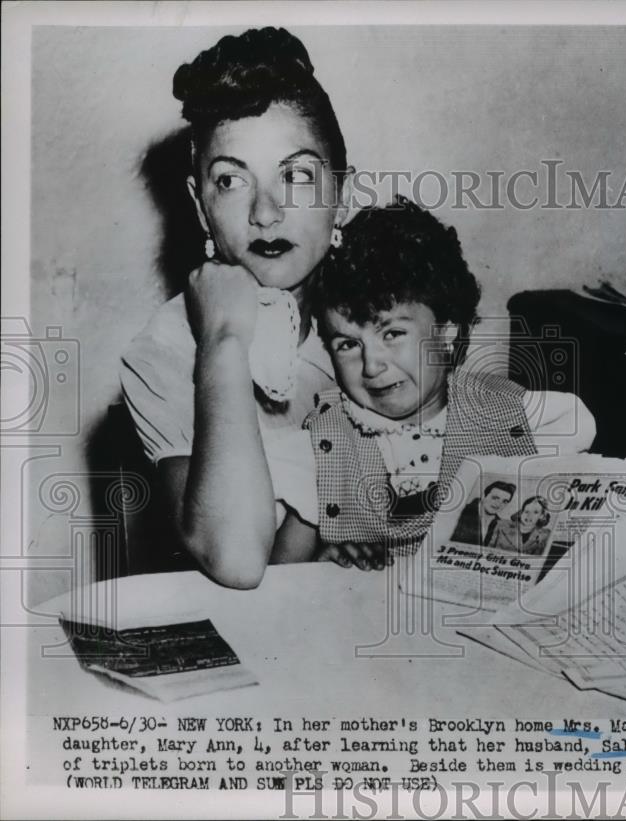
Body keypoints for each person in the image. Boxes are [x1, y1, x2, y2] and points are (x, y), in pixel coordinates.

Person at [119, 28, 355, 588]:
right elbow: (236, 560)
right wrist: (223, 340)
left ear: (341, 197)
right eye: (230, 180)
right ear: (202, 210)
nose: (266, 212)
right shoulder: (164, 353)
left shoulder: (388, 315)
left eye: (296, 175)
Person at [265, 198, 596, 570]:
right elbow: (280, 580)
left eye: (392, 333)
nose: (371, 364)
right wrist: (324, 564)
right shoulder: (325, 446)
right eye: (348, 344)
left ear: (446, 332)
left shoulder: (519, 419)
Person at [451, 482, 516, 545]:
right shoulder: (461, 511)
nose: (498, 504)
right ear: (483, 496)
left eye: (504, 501)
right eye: (495, 498)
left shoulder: (501, 525)